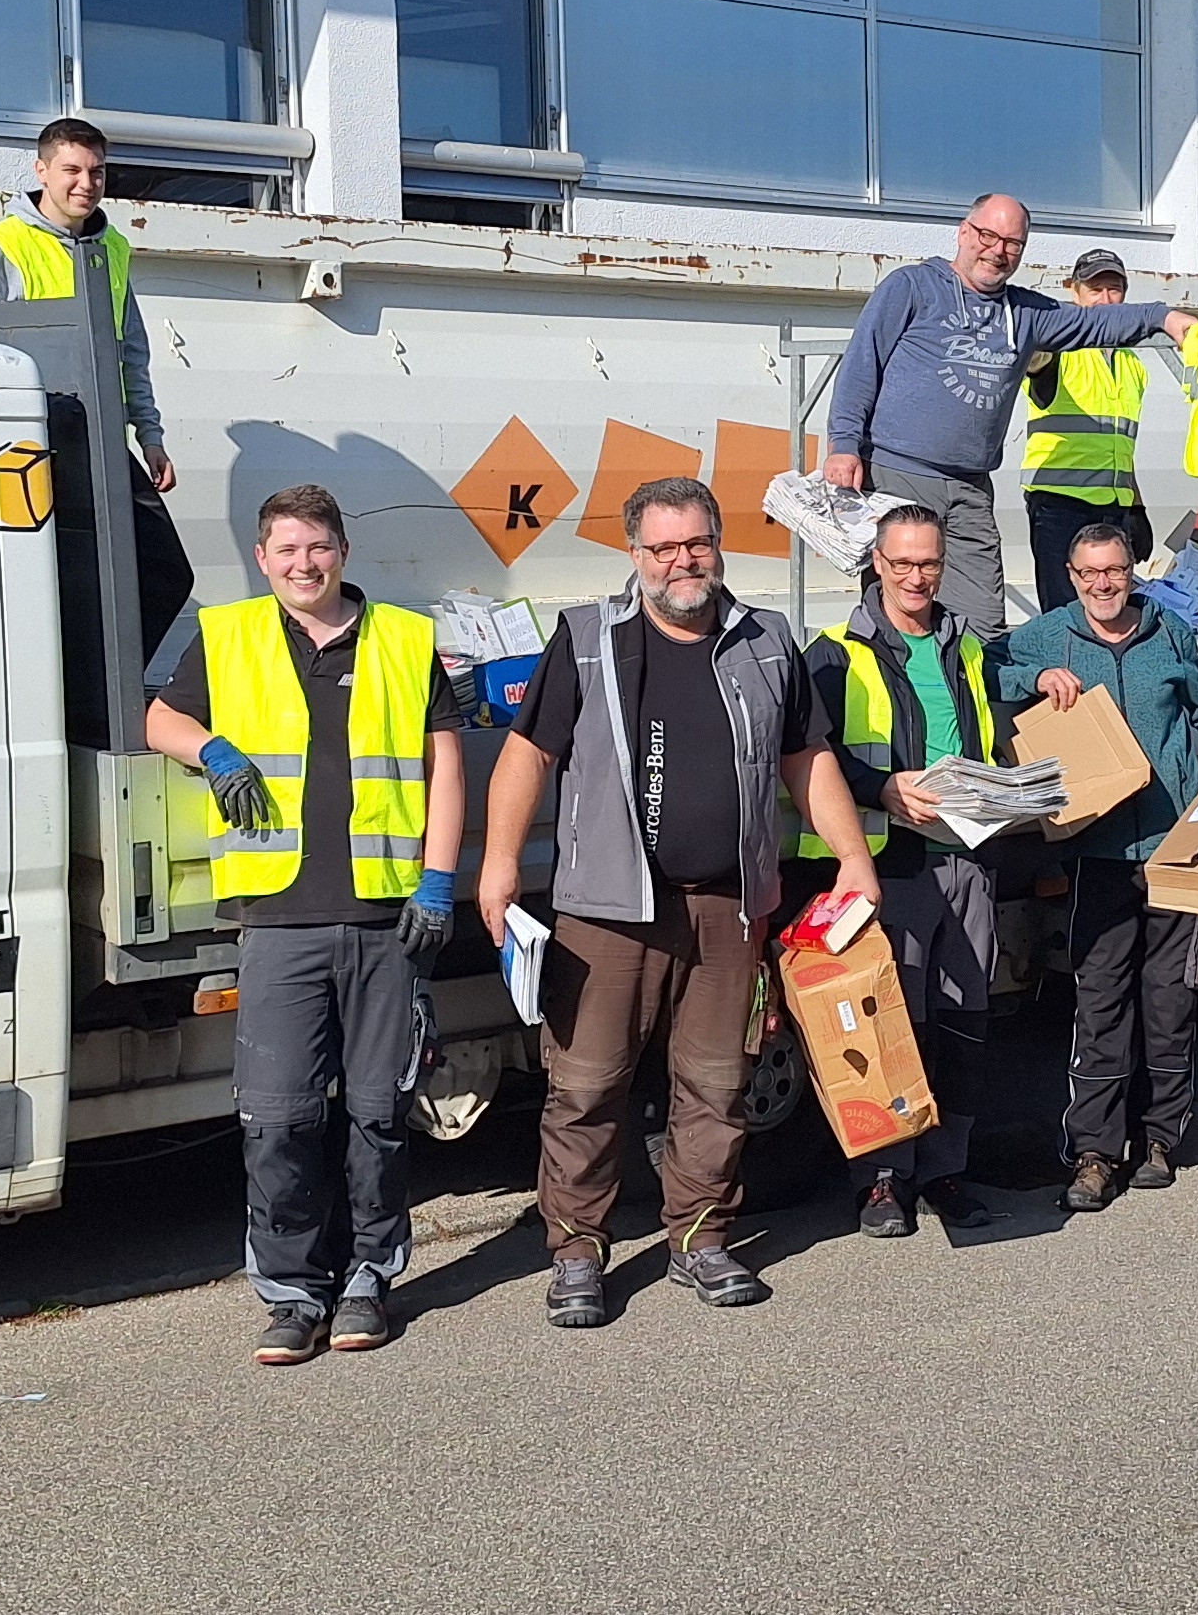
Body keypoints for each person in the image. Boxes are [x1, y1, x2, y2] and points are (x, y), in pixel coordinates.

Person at [477, 478, 880, 1327]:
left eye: (694, 543)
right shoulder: (588, 639)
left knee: (716, 1083)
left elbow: (805, 761)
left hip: (729, 906)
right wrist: (500, 866)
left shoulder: (767, 640)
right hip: (605, 910)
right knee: (585, 1086)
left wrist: (852, 857)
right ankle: (577, 1251)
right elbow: (525, 756)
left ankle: (700, 1239)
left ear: (717, 543)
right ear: (634, 557)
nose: (680, 561)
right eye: (661, 548)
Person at [144, 484, 468, 1366]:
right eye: (286, 550)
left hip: (384, 919)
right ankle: (292, 1293)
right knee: (278, 1120)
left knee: (377, 1114)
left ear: (342, 553)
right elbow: (158, 716)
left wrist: (439, 880)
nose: (303, 564)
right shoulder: (230, 634)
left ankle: (368, 1279)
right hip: (279, 921)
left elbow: (445, 768)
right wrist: (208, 748)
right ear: (262, 558)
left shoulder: (404, 640)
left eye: (317, 548)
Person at [1002, 523, 1198, 1213]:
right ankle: (1094, 1153)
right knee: (1099, 1006)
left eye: (1115, 571)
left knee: (1170, 1002)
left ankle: (1159, 1139)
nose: (1103, 583)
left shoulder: (1168, 635)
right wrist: (1033, 675)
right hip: (1094, 854)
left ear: (1132, 573)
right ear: (1071, 575)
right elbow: (984, 668)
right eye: (1090, 572)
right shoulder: (1048, 635)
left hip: (1172, 850)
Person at [825, 194, 1198, 638]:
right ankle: (890, 700)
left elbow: (1096, 324)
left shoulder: (1024, 313)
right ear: (964, 233)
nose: (998, 250)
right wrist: (843, 445)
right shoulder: (912, 287)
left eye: (1012, 244)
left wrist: (1164, 316)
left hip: (970, 486)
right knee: (899, 607)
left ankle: (967, 705)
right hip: (899, 474)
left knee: (983, 619)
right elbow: (861, 363)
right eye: (988, 236)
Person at [802, 506, 1010, 1239]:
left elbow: (995, 735)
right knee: (888, 1026)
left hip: (966, 861)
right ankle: (882, 1181)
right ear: (876, 565)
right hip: (885, 868)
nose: (916, 576)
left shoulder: (969, 646)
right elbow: (810, 759)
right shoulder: (833, 652)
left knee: (960, 1025)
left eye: (928, 563)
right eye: (901, 563)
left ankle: (944, 1171)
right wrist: (880, 787)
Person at [0, 116, 196, 664]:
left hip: (103, 436)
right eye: (72, 170)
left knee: (165, 572)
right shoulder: (0, 246)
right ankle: (66, 697)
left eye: (97, 171)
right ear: (41, 171)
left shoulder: (113, 247)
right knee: (49, 583)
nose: (86, 183)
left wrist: (149, 435)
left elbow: (130, 350)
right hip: (27, 441)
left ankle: (102, 691)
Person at [1020, 247, 1163, 613]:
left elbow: (1119, 448)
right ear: (1075, 292)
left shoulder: (1133, 364)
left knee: (1111, 612)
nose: (1105, 299)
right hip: (1059, 507)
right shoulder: (1059, 349)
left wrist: (1136, 506)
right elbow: (1036, 360)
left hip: (1113, 508)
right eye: (1095, 289)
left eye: (1113, 289)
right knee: (1064, 614)